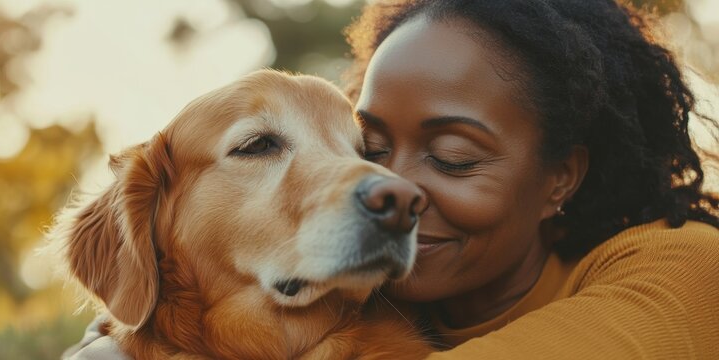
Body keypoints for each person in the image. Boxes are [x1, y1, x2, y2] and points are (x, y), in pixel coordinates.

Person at [67, 0, 719, 358]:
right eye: (372, 150)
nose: (396, 191)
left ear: (561, 178)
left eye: (456, 158)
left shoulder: (687, 269)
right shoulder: (368, 293)